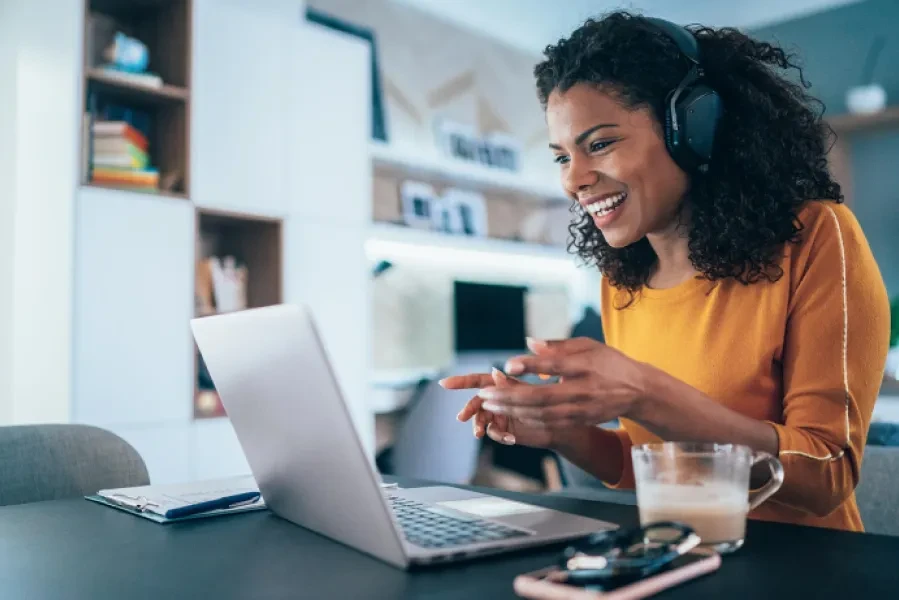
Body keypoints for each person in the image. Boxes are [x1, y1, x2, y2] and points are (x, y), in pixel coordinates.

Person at [440, 12, 891, 532]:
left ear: (691, 128)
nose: (575, 179)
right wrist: (562, 432)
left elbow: (827, 473)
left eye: (600, 144)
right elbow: (652, 464)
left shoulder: (816, 237)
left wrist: (642, 392)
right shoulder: (623, 280)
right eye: (562, 156)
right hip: (674, 558)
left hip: (801, 568)